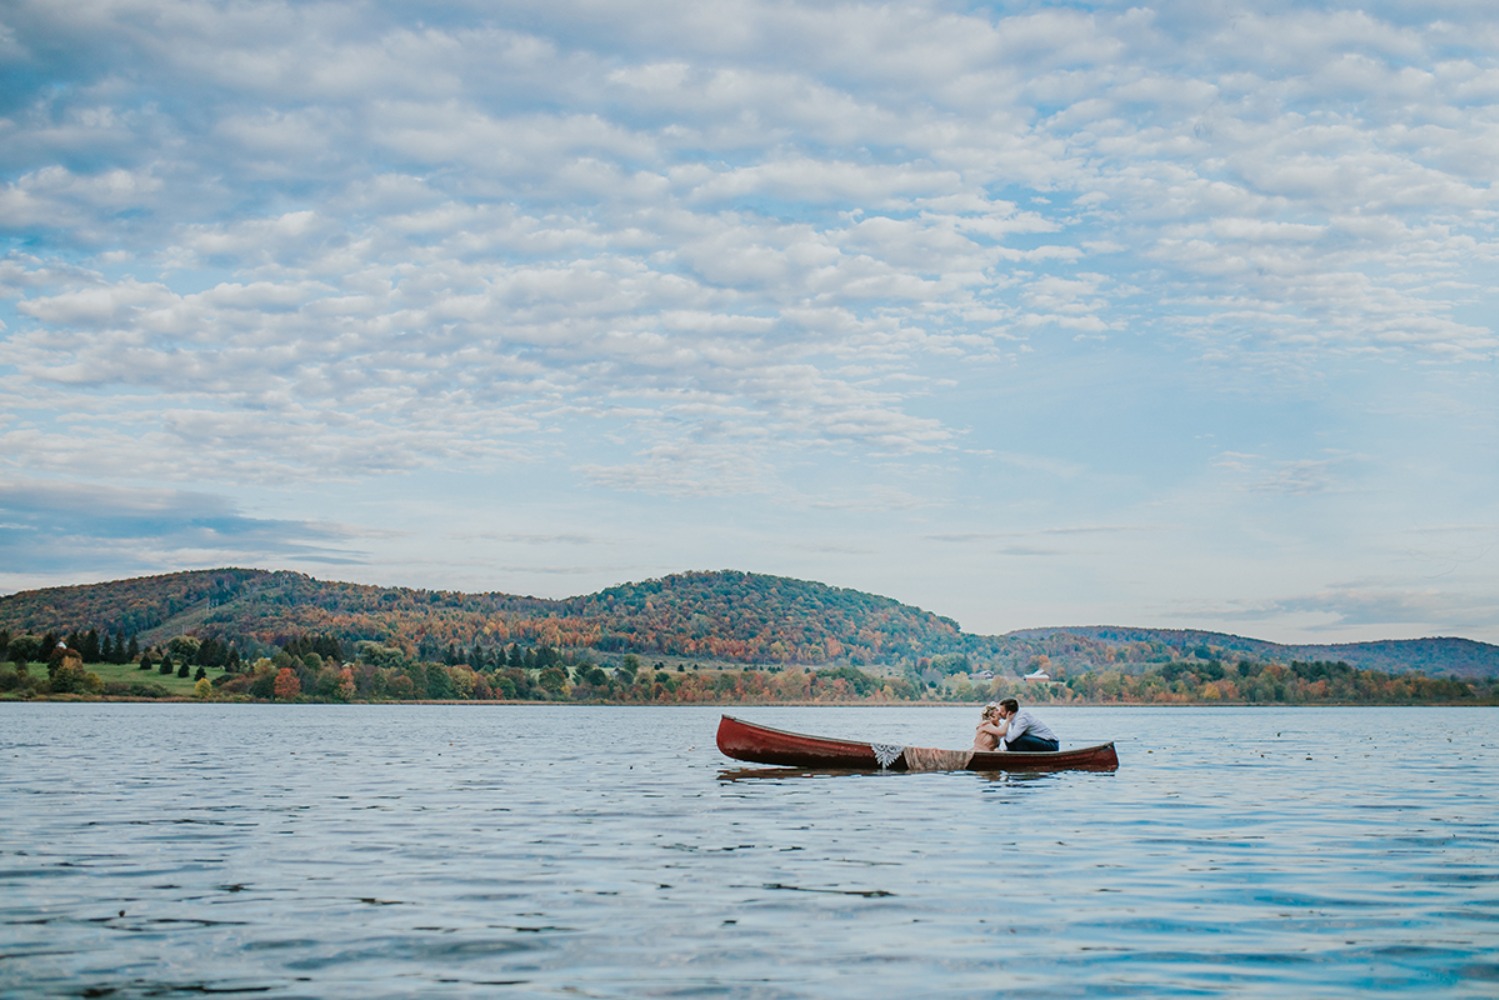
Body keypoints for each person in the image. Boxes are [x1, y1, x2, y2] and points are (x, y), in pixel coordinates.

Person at [989, 698, 1059, 752]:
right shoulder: (1014, 718)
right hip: (1038, 741)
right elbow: (1009, 739)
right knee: (1013, 740)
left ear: (1009, 713)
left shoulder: (1022, 719)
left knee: (1020, 740)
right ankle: (1011, 757)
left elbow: (1010, 739)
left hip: (1051, 744)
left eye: (1002, 711)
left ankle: (1024, 760)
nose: (1000, 713)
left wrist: (1000, 724)